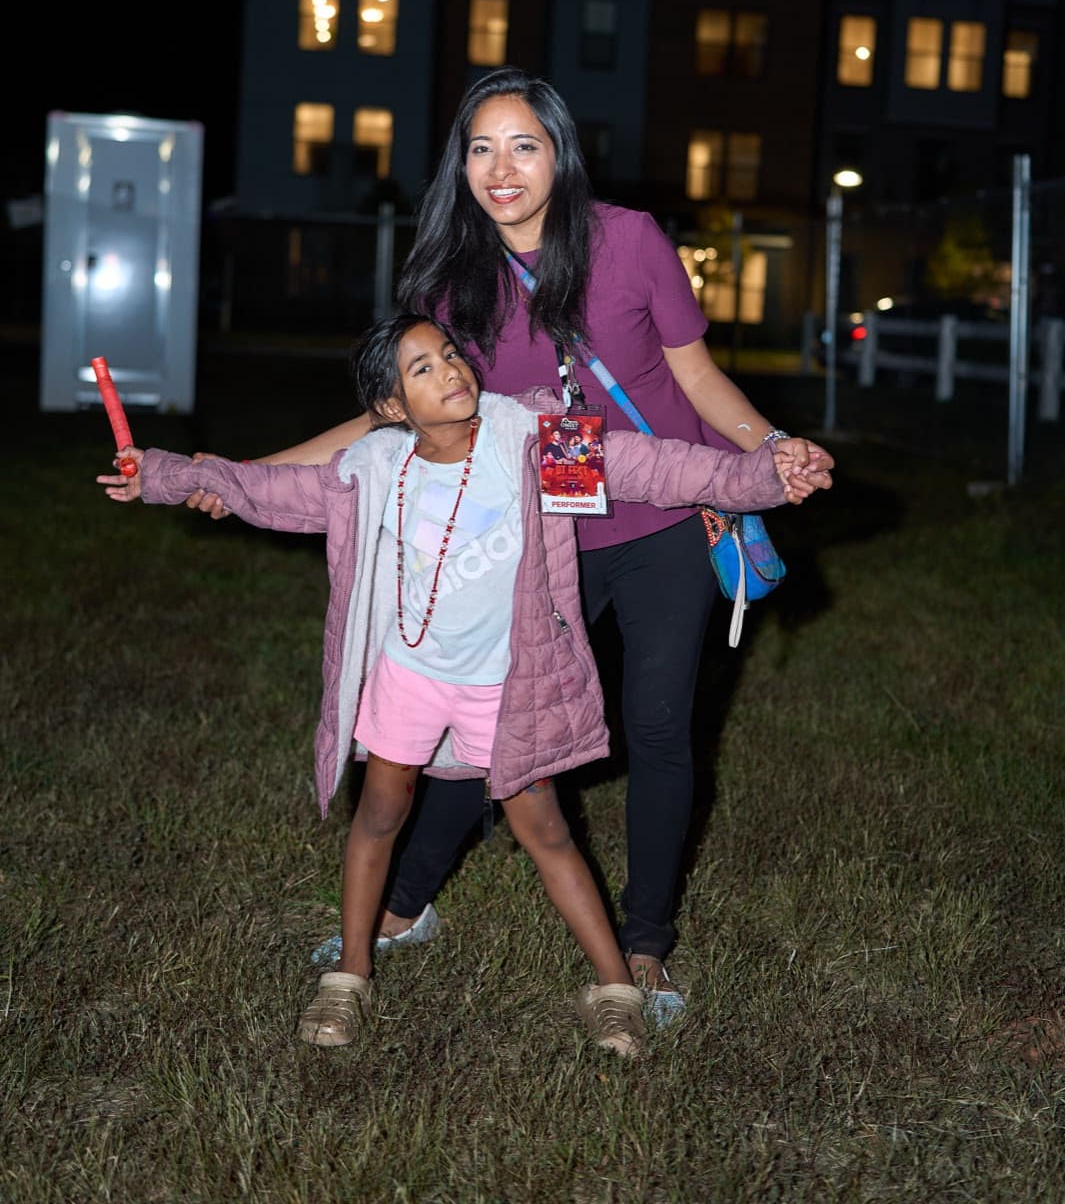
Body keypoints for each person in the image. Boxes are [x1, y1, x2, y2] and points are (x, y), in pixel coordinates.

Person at [186, 67, 835, 1021]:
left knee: (658, 728)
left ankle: (646, 948)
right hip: (540, 537)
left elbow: (699, 383)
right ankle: (404, 909)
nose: (502, 167)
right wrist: (236, 473)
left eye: (523, 144)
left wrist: (774, 453)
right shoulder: (452, 281)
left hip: (662, 520)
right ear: (461, 163)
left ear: (559, 153)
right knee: (481, 731)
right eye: (481, 147)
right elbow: (390, 421)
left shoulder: (631, 241)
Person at [99, 312, 808, 1057]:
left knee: (547, 831)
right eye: (423, 369)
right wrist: (166, 476)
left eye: (448, 354)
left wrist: (763, 475)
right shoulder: (373, 470)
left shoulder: (534, 440)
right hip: (407, 676)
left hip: (503, 685)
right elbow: (269, 492)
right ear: (391, 409)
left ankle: (613, 988)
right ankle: (349, 972)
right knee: (378, 813)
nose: (451, 371)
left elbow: (658, 470)